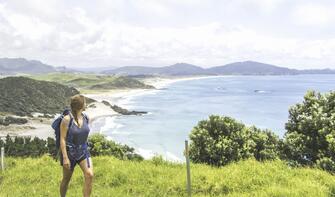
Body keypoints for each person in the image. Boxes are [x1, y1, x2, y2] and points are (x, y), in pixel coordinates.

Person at [59, 94, 94, 197]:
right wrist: (65, 158)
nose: (86, 104)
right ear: (80, 105)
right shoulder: (66, 119)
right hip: (70, 153)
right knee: (66, 180)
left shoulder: (86, 118)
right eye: (85, 102)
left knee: (89, 175)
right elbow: (62, 139)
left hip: (83, 151)